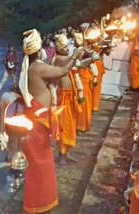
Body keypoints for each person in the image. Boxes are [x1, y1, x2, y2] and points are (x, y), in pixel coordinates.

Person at [18, 29, 84, 213]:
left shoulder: (33, 66)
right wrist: (76, 54)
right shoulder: (37, 68)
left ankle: (42, 202)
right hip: (37, 121)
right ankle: (37, 205)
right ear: (38, 51)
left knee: (41, 163)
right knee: (41, 164)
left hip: (38, 119)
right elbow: (63, 71)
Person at [52, 34, 81, 165]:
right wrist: (79, 51)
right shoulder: (58, 59)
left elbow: (78, 63)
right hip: (62, 96)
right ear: (60, 49)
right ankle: (61, 156)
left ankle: (66, 154)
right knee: (63, 125)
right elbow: (72, 59)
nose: (67, 49)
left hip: (69, 96)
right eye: (65, 48)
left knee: (70, 125)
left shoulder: (66, 60)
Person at [74, 32, 95, 132]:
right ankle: (81, 125)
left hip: (84, 77)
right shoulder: (78, 51)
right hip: (81, 78)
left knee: (85, 104)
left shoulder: (82, 50)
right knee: (83, 104)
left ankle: (82, 125)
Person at [92, 45, 112, 111]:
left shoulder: (104, 39)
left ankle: (94, 106)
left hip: (97, 65)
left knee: (96, 86)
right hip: (88, 65)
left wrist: (106, 46)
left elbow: (108, 52)